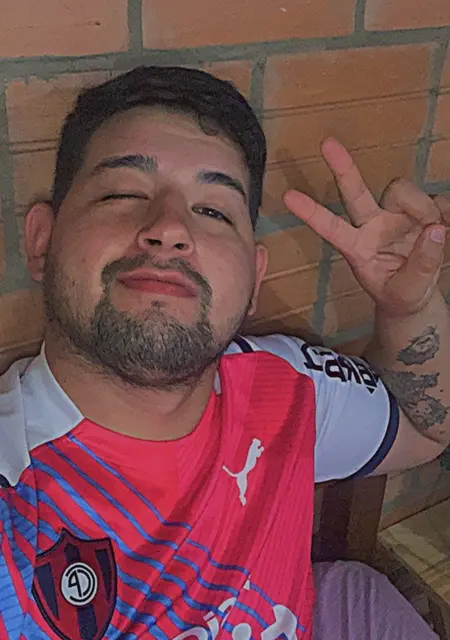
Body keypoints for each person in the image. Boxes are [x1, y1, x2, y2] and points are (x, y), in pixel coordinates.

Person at [0, 66, 448, 640]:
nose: (169, 229)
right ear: (42, 240)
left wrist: (409, 311)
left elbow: (427, 426)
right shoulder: (17, 494)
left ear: (254, 277)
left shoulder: (285, 390)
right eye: (123, 193)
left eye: (213, 210)